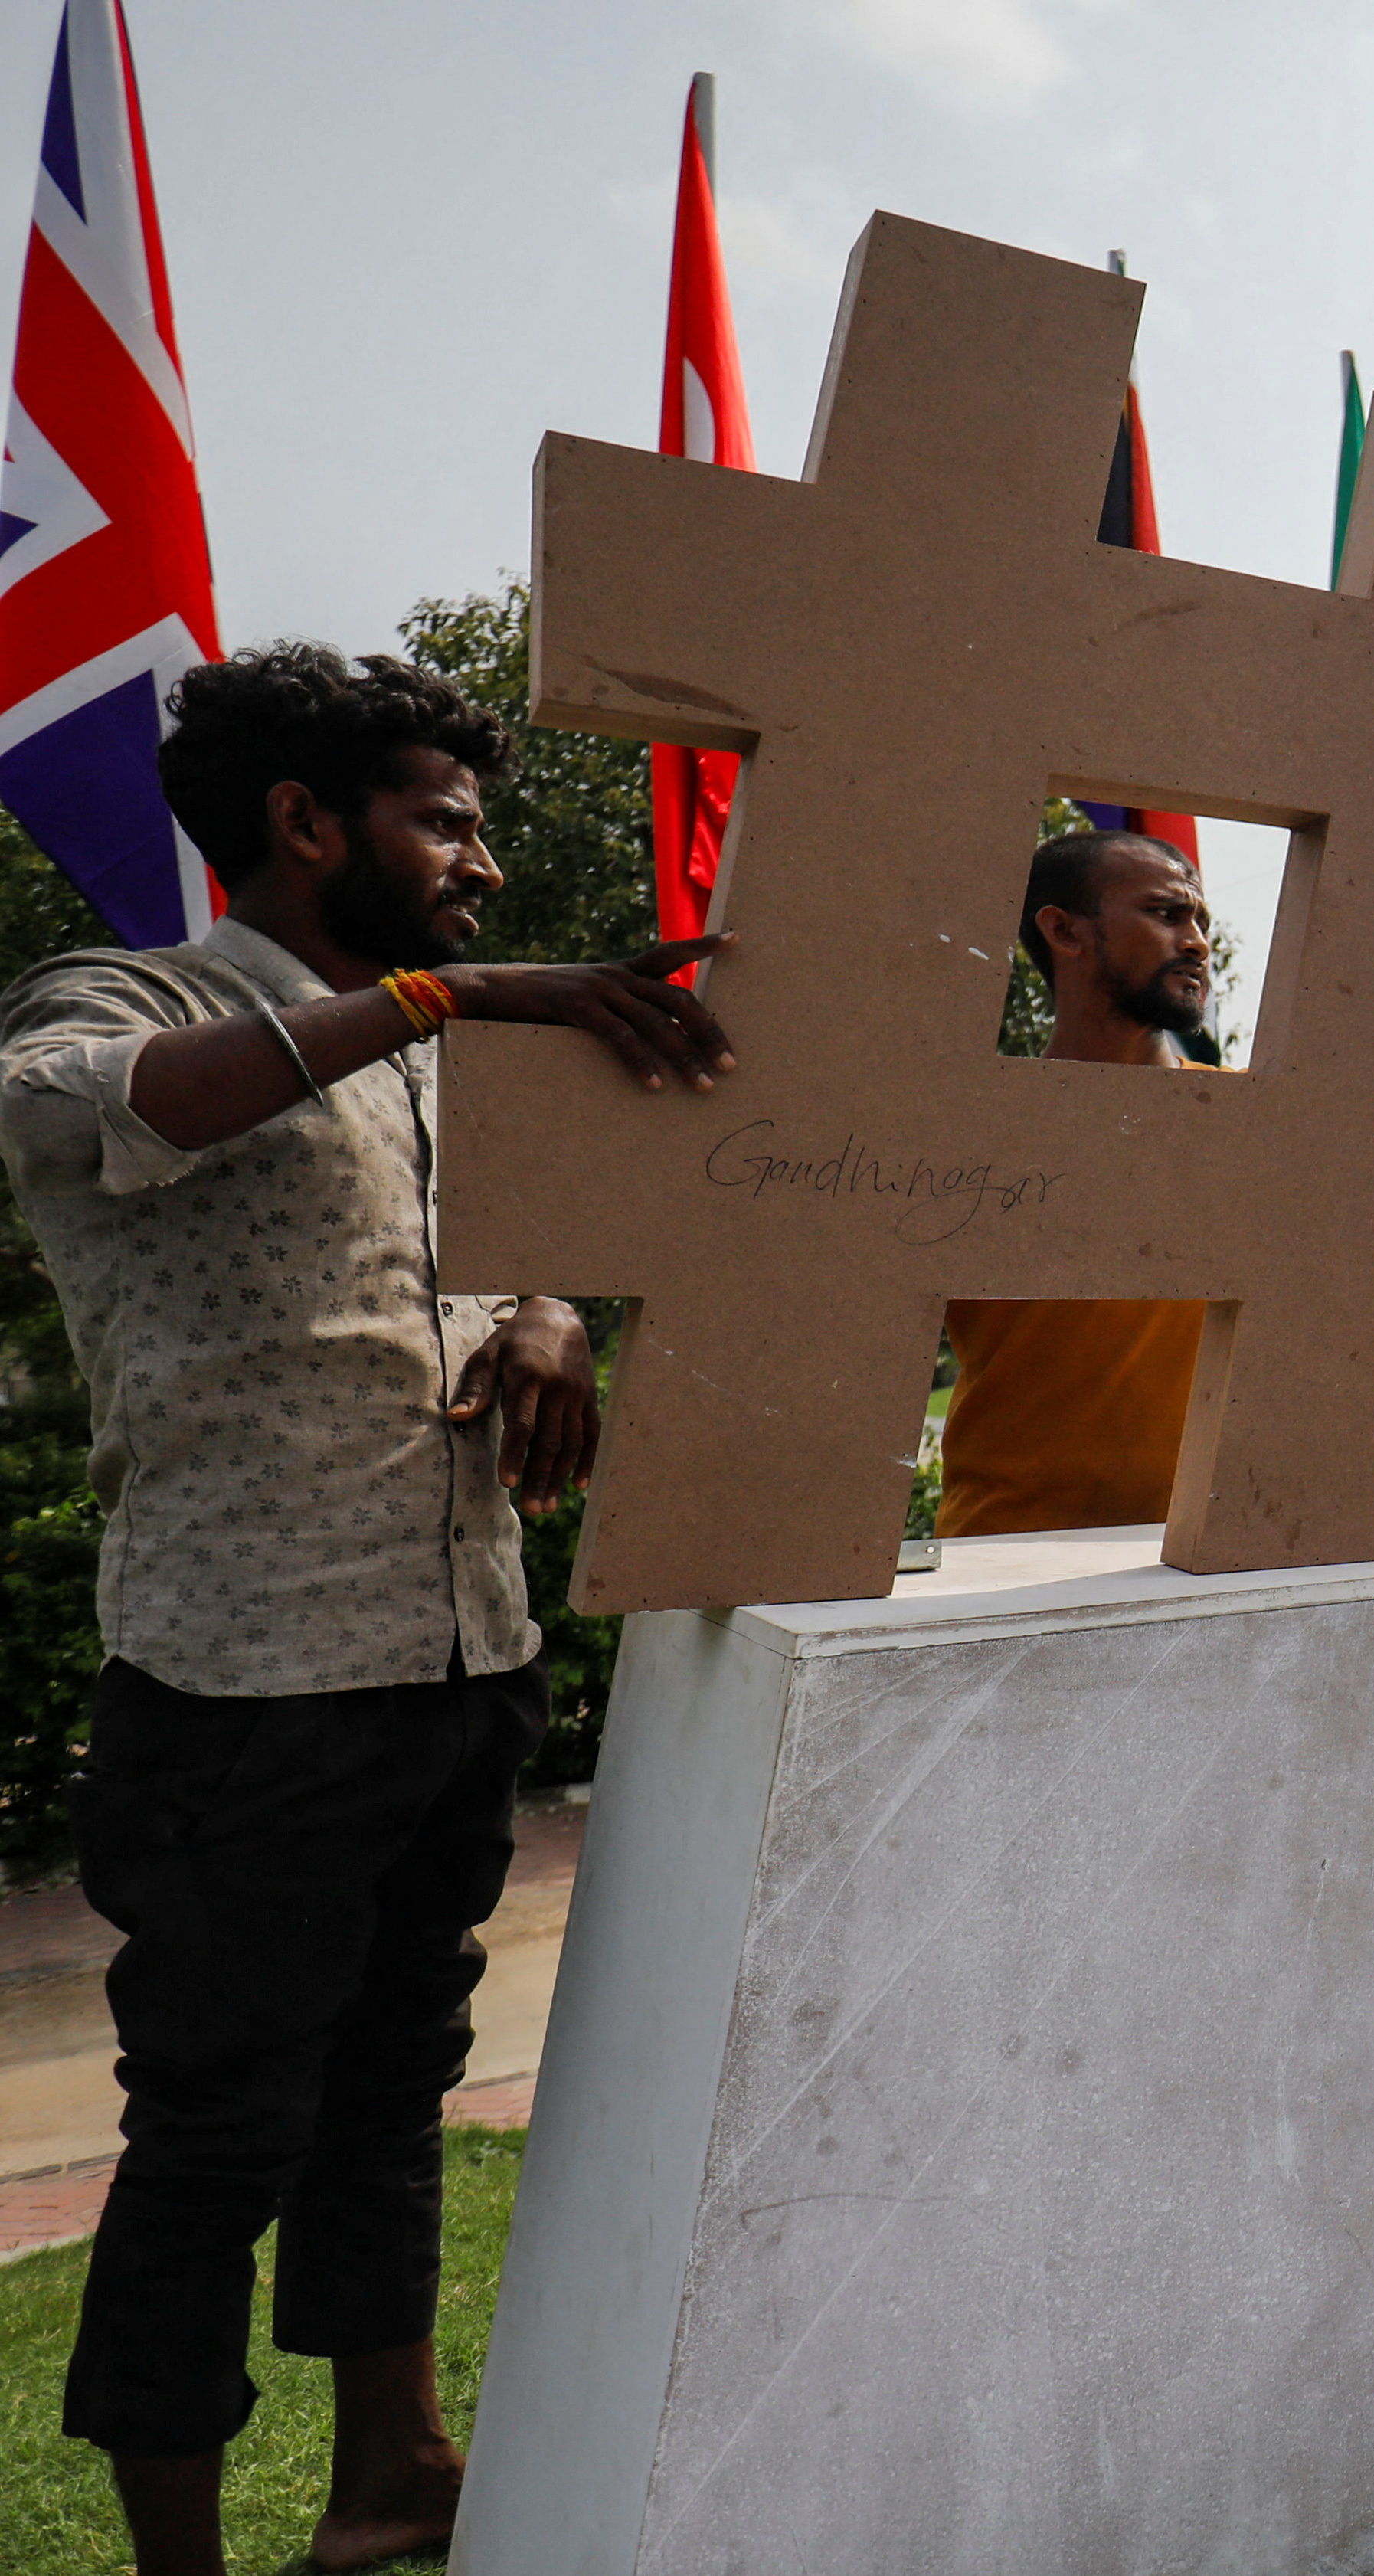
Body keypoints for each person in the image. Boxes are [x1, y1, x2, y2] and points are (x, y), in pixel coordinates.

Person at [0, 642, 736, 2576]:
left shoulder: (424, 1060)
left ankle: (388, 2478)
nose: (481, 868)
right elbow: (79, 1115)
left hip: (460, 1658)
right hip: (246, 1699)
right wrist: (449, 994)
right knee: (214, 2143)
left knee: (392, 2094)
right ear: (305, 824)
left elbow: (469, 1279)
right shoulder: (130, 997)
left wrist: (552, 1312)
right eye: (449, 823)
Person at [934, 827, 1216, 1537]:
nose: (1197, 943)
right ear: (1064, 930)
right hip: (1005, 1559)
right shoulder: (964, 1133)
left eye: (1201, 921)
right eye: (1165, 913)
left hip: (1205, 1563)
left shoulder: (1252, 1123)